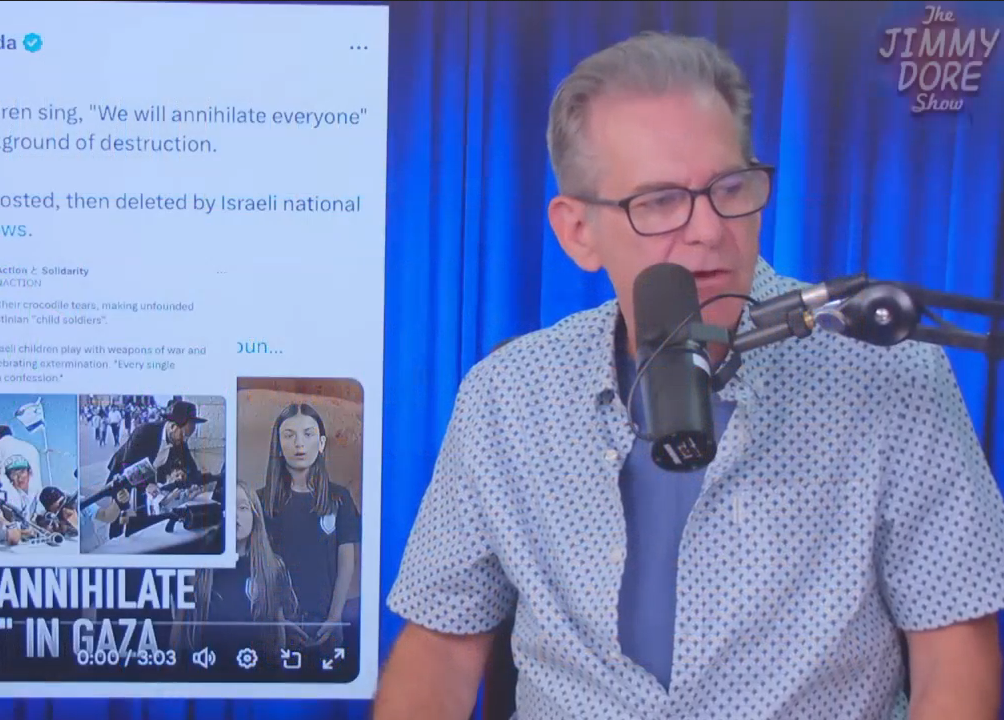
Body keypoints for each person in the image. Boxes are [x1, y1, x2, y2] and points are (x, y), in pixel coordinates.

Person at [376, 31, 1004, 720]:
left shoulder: (891, 372)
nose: (708, 230)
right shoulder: (507, 396)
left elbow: (954, 656)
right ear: (578, 231)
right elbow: (440, 650)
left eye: (729, 188)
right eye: (660, 201)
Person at [259, 402, 361, 661]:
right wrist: (278, 618)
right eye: (289, 435)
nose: (299, 444)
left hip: (327, 623)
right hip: (277, 625)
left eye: (308, 434)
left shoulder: (340, 498)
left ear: (322, 443)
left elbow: (347, 562)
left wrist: (335, 617)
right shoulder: (260, 502)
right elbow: (259, 565)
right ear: (278, 445)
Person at [170, 480, 300, 670]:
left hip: (258, 674)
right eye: (229, 508)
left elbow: (278, 632)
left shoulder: (273, 567)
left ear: (255, 515)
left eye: (243, 508)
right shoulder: (198, 568)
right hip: (207, 672)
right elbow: (178, 630)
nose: (235, 515)